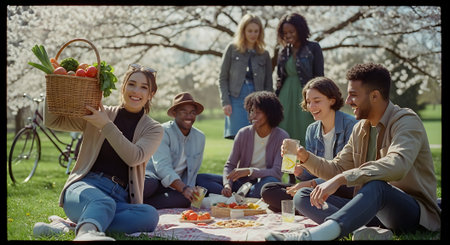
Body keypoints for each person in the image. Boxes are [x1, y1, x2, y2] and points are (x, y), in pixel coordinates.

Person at [266, 63, 441, 241]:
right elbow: (336, 168)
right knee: (304, 196)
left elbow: (398, 165)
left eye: (354, 95)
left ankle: (314, 236)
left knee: (377, 186)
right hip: (372, 208)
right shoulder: (360, 129)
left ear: (374, 96)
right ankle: (362, 229)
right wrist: (305, 157)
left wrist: (341, 179)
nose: (348, 101)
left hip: (411, 212)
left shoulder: (406, 121)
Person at [42, 64, 164, 241]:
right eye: (131, 84)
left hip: (119, 198)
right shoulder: (98, 112)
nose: (136, 91)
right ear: (123, 87)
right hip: (84, 187)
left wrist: (105, 125)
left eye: (144, 87)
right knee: (102, 202)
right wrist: (53, 87)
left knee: (150, 215)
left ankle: (72, 228)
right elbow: (54, 121)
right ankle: (87, 234)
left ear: (151, 94)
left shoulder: (154, 129)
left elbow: (134, 157)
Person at [261, 77, 357, 213]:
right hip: (317, 189)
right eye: (308, 102)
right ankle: (313, 207)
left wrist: (311, 184)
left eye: (317, 101)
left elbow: (347, 172)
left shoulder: (351, 126)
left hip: (344, 186)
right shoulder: (312, 130)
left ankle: (306, 206)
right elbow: (311, 173)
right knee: (268, 189)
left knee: (302, 194)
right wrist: (300, 169)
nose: (311, 107)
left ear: (332, 100)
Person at [196, 91, 288, 198]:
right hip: (240, 184)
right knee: (201, 179)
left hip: (262, 183)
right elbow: (230, 166)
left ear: (270, 113)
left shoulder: (282, 137)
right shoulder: (243, 133)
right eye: (251, 111)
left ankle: (238, 197)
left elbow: (277, 172)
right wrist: (227, 185)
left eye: (258, 112)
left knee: (270, 183)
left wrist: (250, 171)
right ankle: (239, 196)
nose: (253, 115)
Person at [143, 92, 205, 209]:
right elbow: (162, 168)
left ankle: (144, 205)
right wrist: (184, 188)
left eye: (192, 113)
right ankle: (133, 201)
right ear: (174, 113)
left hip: (175, 186)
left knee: (185, 200)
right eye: (184, 112)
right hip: (154, 178)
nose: (189, 116)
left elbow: (192, 172)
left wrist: (190, 190)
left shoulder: (200, 137)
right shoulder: (162, 131)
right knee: (149, 185)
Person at [218, 13, 273, 140]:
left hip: (258, 101)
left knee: (256, 137)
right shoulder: (232, 49)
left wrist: (268, 106)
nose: (253, 34)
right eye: (250, 31)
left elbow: (268, 84)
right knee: (239, 138)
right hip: (235, 99)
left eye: (256, 31)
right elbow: (222, 77)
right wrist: (226, 102)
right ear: (243, 31)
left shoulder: (264, 54)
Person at [275, 13, 324, 145]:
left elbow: (320, 77)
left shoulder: (313, 48)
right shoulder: (283, 52)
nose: (288, 35)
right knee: (286, 132)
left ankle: (309, 165)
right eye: (285, 33)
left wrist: (318, 99)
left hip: (307, 96)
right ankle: (288, 166)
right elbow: (279, 78)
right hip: (285, 97)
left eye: (292, 31)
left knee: (308, 129)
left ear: (300, 30)